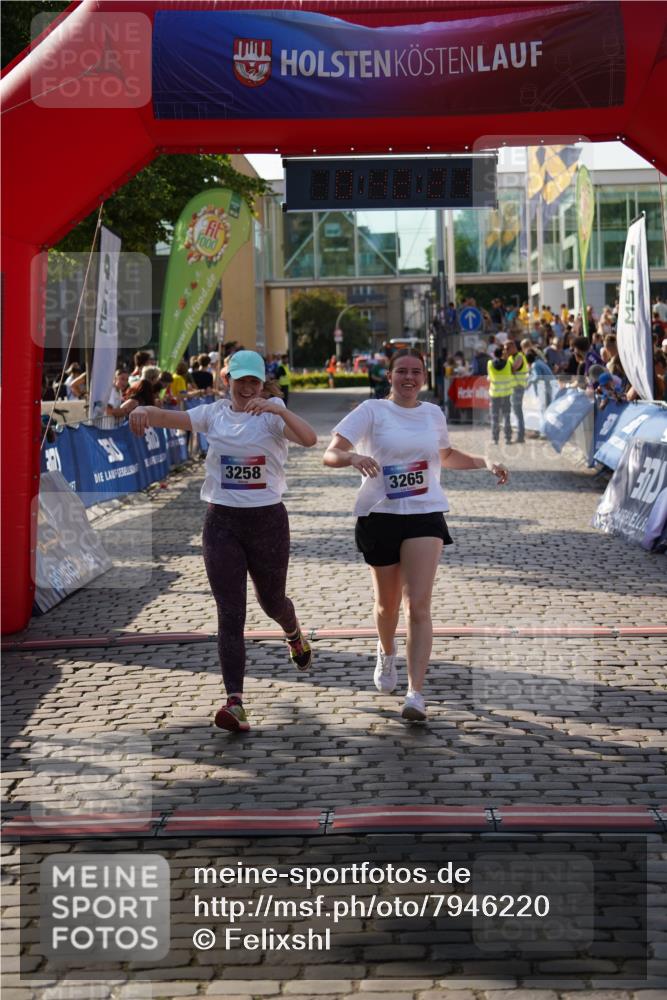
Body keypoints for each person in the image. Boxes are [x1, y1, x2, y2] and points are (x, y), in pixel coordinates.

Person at [128, 350, 318, 732]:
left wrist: (278, 411)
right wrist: (141, 410)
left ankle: (293, 631)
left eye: (254, 382)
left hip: (267, 522)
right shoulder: (213, 413)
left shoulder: (272, 413)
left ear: (263, 383)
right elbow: (172, 418)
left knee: (272, 602)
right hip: (222, 523)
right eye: (240, 381)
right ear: (226, 379)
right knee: (230, 614)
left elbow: (310, 439)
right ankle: (235, 702)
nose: (247, 388)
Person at [323, 349, 508, 723]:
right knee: (386, 606)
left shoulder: (432, 413)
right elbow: (330, 453)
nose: (409, 378)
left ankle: (415, 693)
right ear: (389, 376)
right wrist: (352, 458)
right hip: (380, 515)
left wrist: (483, 462)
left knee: (418, 604)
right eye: (402, 371)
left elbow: (446, 454)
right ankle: (386, 650)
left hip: (425, 513)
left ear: (424, 377)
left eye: (416, 372)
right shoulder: (371, 411)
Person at [487, 346, 513, 445]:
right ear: (502, 354)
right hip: (506, 393)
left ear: (494, 354)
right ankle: (508, 438)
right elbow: (510, 375)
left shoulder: (489, 364)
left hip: (494, 393)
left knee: (495, 416)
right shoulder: (508, 364)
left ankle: (495, 438)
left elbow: (489, 377)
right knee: (506, 416)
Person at [504, 339, 528, 444]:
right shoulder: (510, 358)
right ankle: (519, 435)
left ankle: (520, 436)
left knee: (518, 412)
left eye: (507, 348)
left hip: (518, 387)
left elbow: (512, 369)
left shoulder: (519, 356)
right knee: (516, 411)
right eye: (504, 349)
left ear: (513, 347)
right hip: (512, 387)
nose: (506, 351)